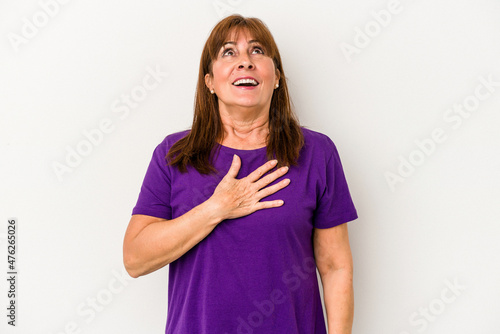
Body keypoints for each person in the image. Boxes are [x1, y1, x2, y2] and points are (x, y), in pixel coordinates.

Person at [123, 14, 358, 334]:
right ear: (209, 81)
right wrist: (216, 208)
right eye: (229, 52)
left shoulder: (317, 152)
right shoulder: (174, 154)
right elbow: (135, 259)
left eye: (258, 51)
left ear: (276, 77)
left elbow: (335, 266)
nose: (245, 62)